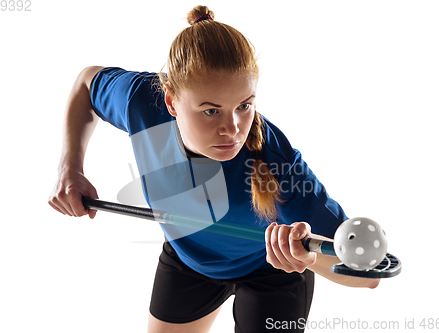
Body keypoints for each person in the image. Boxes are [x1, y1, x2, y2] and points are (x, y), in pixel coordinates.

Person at [48, 6, 380, 333]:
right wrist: (70, 168)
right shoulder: (140, 103)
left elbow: (369, 274)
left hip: (273, 271)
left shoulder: (278, 162)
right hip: (190, 261)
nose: (233, 128)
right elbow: (87, 82)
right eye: (211, 111)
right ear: (171, 102)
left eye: (244, 106)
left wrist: (308, 257)